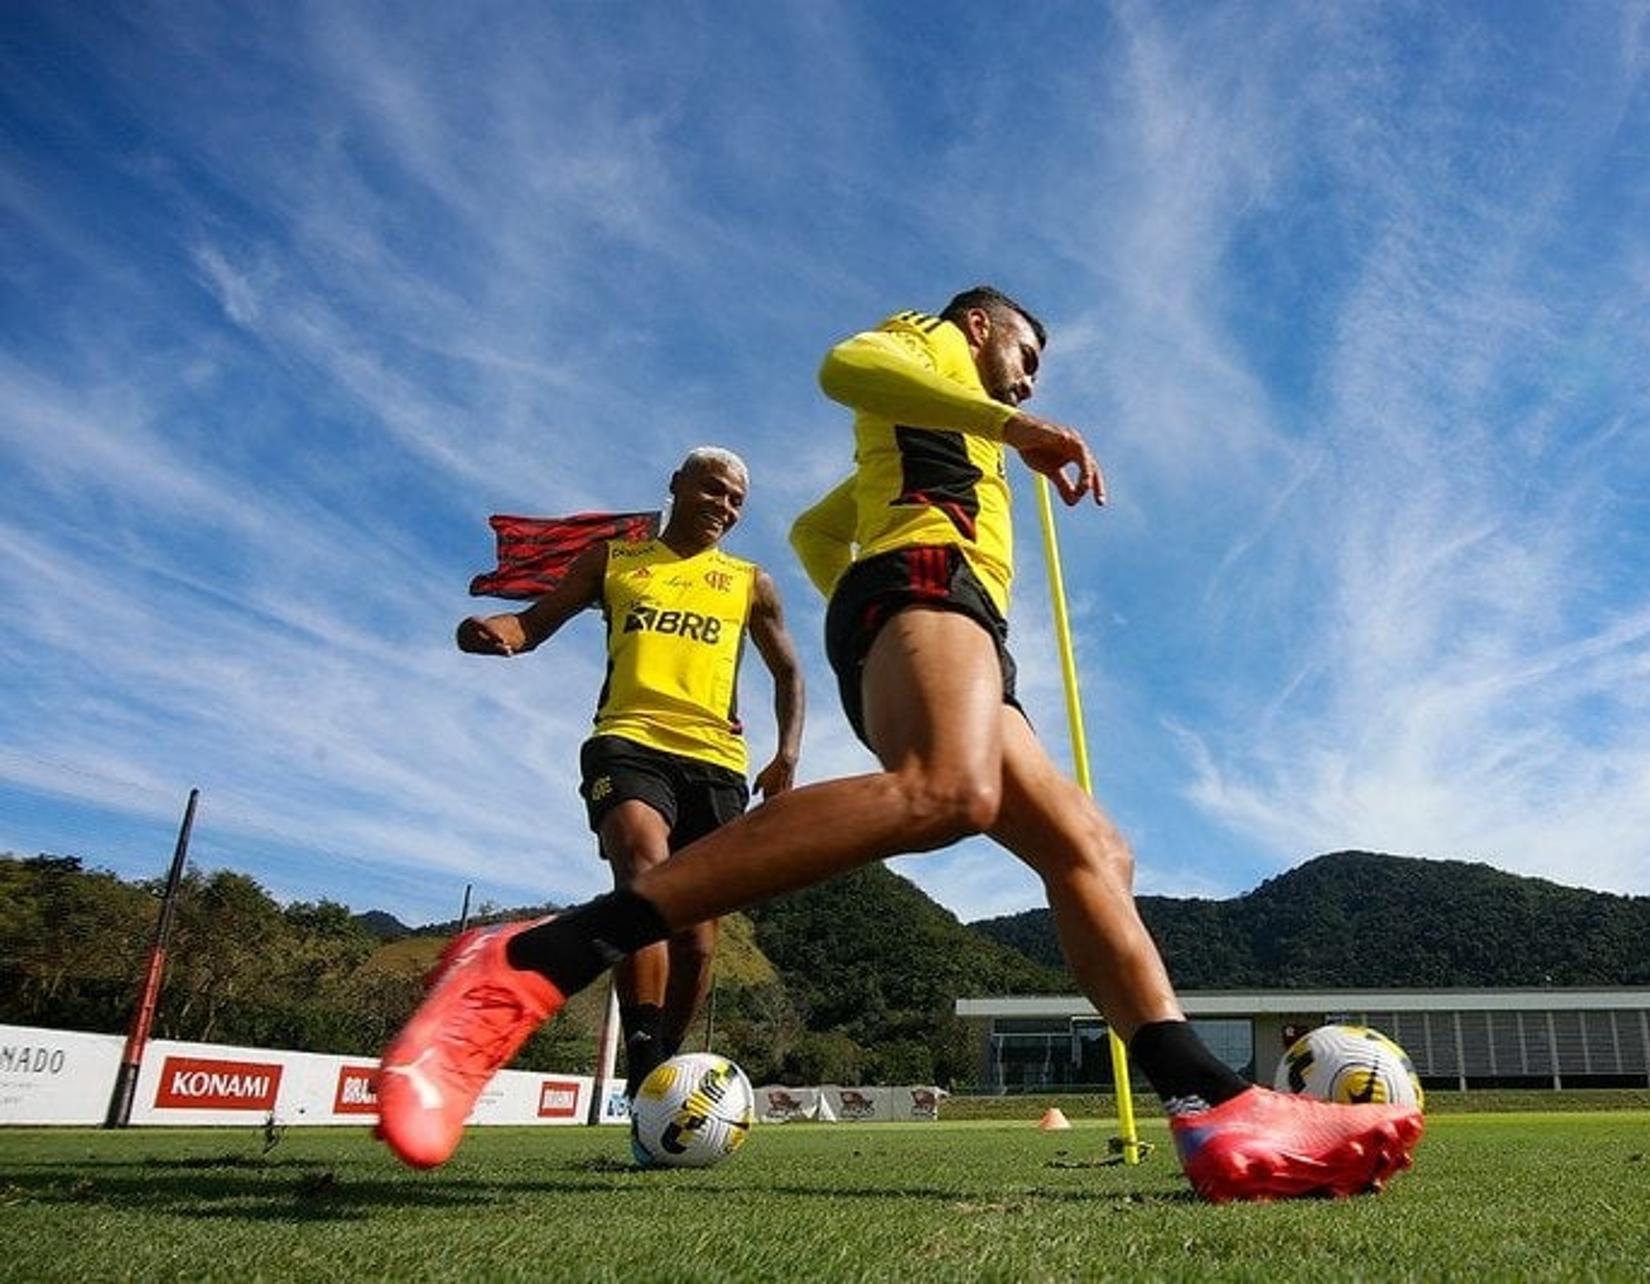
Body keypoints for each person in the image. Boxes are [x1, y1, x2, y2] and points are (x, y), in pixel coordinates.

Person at [379, 289, 1422, 1201]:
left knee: (1092, 853)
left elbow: (814, 536)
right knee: (947, 794)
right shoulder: (927, 346)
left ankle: (1213, 1105)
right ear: (980, 327)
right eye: (1025, 355)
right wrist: (925, 564)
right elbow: (846, 367)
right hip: (925, 593)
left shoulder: (949, 429)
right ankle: (536, 957)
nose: (1025, 380)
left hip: (943, 610)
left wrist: (886, 592)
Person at [451, 446, 804, 1101]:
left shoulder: (750, 582)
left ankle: (663, 1065)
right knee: (644, 879)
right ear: (676, 485)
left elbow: (787, 671)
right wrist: (490, 631)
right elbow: (531, 624)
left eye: (735, 501)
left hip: (716, 763)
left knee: (698, 938)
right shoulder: (615, 561)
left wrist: (786, 754)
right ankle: (643, 1059)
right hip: (628, 742)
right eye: (712, 491)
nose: (723, 507)